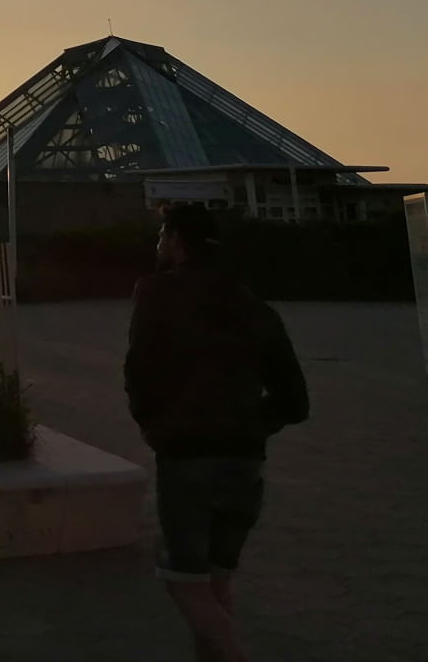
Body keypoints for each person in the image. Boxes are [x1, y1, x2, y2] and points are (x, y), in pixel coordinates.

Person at [124, 203, 308, 662]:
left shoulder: (156, 293)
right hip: (245, 460)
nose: (159, 243)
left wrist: (154, 427)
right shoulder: (251, 303)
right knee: (216, 579)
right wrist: (250, 426)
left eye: (163, 234)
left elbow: (140, 370)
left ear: (178, 239)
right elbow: (295, 400)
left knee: (183, 583)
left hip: (186, 456)